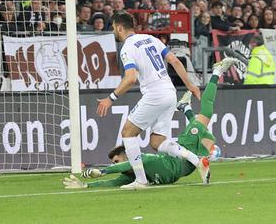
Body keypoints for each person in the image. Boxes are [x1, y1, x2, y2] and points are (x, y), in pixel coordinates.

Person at [64, 58, 239, 189]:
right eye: (115, 163)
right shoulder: (132, 175)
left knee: (207, 114)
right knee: (209, 137)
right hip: (187, 165)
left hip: (183, 153)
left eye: (117, 161)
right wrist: (86, 186)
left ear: (127, 155)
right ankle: (185, 108)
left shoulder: (147, 162)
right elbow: (114, 183)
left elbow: (140, 160)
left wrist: (104, 170)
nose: (116, 164)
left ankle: (216, 71)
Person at [96, 12, 202, 190]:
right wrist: (191, 85)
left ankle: (141, 180)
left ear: (119, 27)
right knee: (157, 142)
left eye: (114, 27)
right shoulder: (150, 39)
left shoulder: (127, 47)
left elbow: (130, 79)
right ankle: (196, 160)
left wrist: (110, 98)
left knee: (128, 133)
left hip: (155, 94)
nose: (114, 30)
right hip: (170, 92)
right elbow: (175, 60)